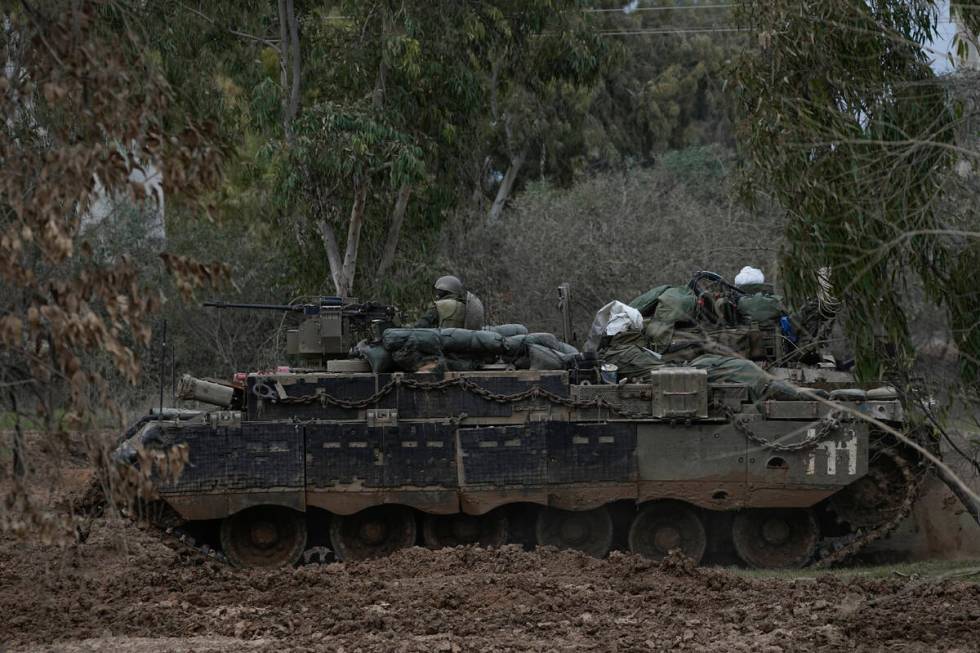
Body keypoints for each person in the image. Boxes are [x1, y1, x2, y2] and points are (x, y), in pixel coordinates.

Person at [414, 275, 485, 329]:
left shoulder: (440, 305)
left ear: (442, 291)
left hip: (442, 346)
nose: (437, 294)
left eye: (438, 291)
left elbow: (421, 325)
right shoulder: (466, 306)